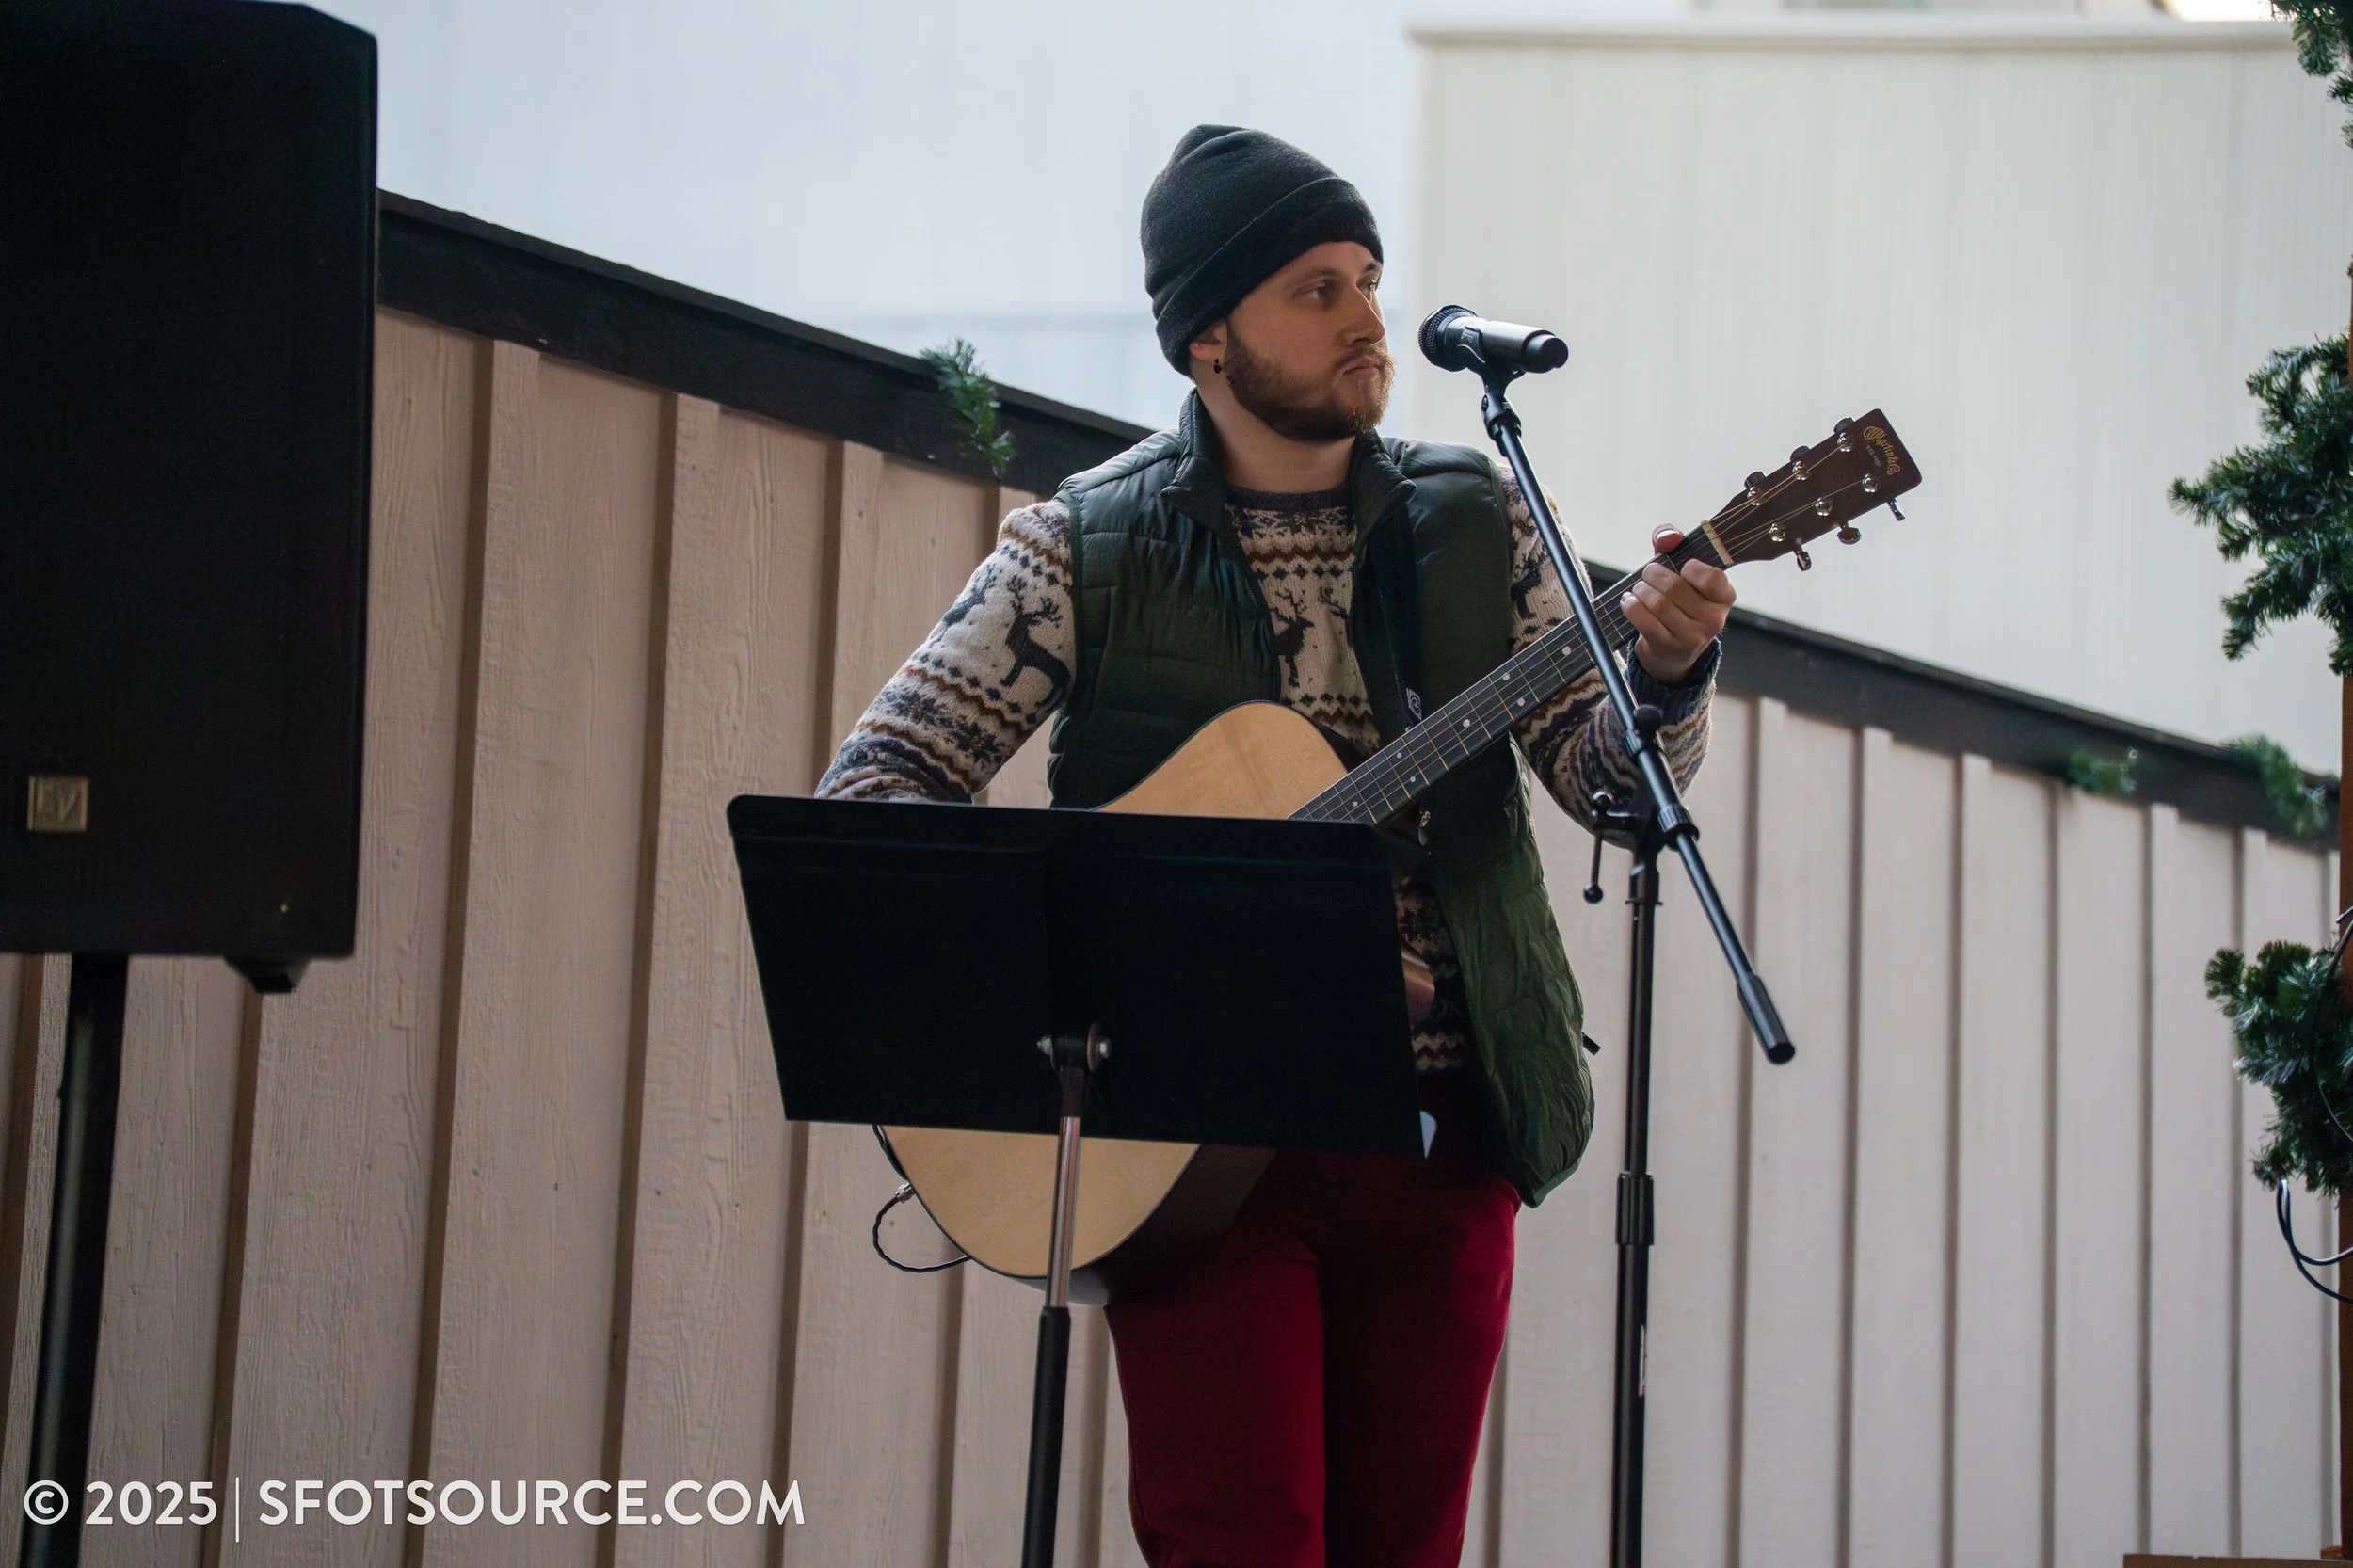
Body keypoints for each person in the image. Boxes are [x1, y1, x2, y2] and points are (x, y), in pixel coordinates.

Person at [818, 125, 1735, 1568]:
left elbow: (1614, 793)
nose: (1367, 318)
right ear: (1206, 336)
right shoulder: (1084, 546)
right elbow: (879, 792)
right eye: (1318, 287)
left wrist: (1670, 674)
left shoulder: (1477, 526)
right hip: (1192, 1149)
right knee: (1234, 1540)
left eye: (1370, 277)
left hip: (1444, 1136)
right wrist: (1132, 939)